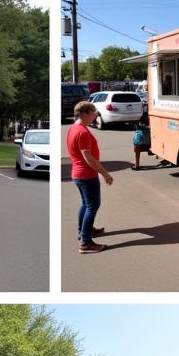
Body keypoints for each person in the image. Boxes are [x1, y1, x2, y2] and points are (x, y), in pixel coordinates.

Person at [67, 101, 114, 253]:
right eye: (93, 113)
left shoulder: (74, 128)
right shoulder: (82, 132)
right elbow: (88, 157)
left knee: (86, 204)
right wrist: (105, 173)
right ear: (84, 114)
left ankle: (84, 231)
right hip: (86, 175)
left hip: (78, 173)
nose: (95, 116)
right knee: (92, 206)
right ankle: (85, 242)